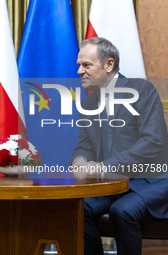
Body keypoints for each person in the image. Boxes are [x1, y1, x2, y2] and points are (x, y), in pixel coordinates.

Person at [70, 37, 168, 255]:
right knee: (76, 208)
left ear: (109, 65)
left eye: (86, 65)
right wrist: (80, 161)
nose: (79, 71)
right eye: (79, 65)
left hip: (150, 181)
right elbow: (84, 145)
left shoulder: (142, 90)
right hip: (111, 184)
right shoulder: (87, 104)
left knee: (122, 211)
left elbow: (152, 142)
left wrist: (103, 167)